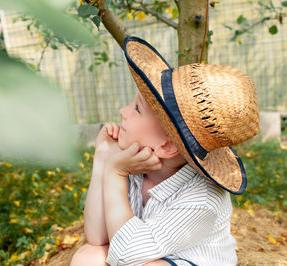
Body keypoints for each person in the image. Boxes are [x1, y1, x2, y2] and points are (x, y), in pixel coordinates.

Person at [70, 36, 259, 266]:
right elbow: (97, 237)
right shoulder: (134, 160)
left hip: (187, 261)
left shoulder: (203, 199)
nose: (123, 111)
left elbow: (128, 254)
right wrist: (103, 158)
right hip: (138, 249)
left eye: (137, 109)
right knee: (87, 258)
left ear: (167, 146)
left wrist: (115, 174)